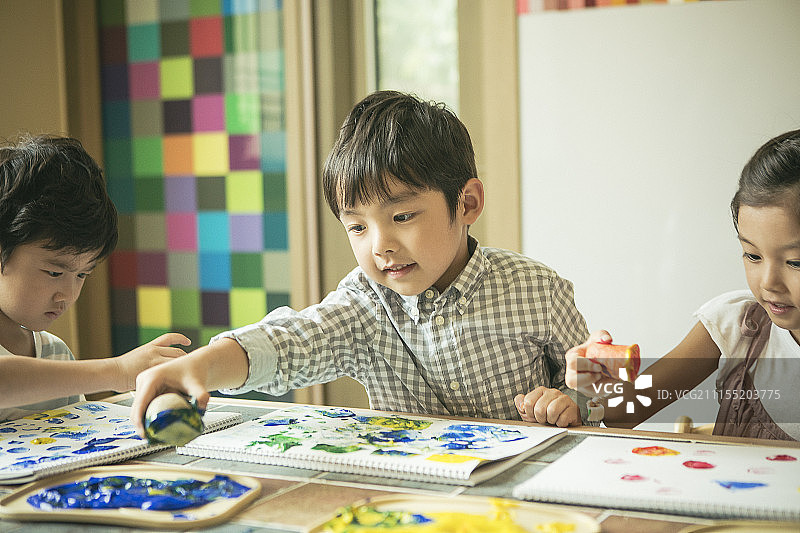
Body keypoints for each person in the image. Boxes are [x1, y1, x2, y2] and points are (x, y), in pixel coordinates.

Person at [131, 90, 590, 432]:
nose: (380, 245)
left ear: (467, 203)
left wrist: (571, 403)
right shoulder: (365, 303)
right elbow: (291, 342)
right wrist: (202, 366)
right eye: (357, 226)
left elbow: (600, 393)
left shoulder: (537, 289)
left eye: (402, 216)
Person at [565, 128, 800, 441]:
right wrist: (584, 397)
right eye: (752, 255)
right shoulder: (738, 326)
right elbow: (623, 411)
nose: (769, 283)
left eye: (795, 262)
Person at [0, 134, 190, 422]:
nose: (68, 294)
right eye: (54, 272)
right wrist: (118, 371)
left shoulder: (55, 353)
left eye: (82, 275)